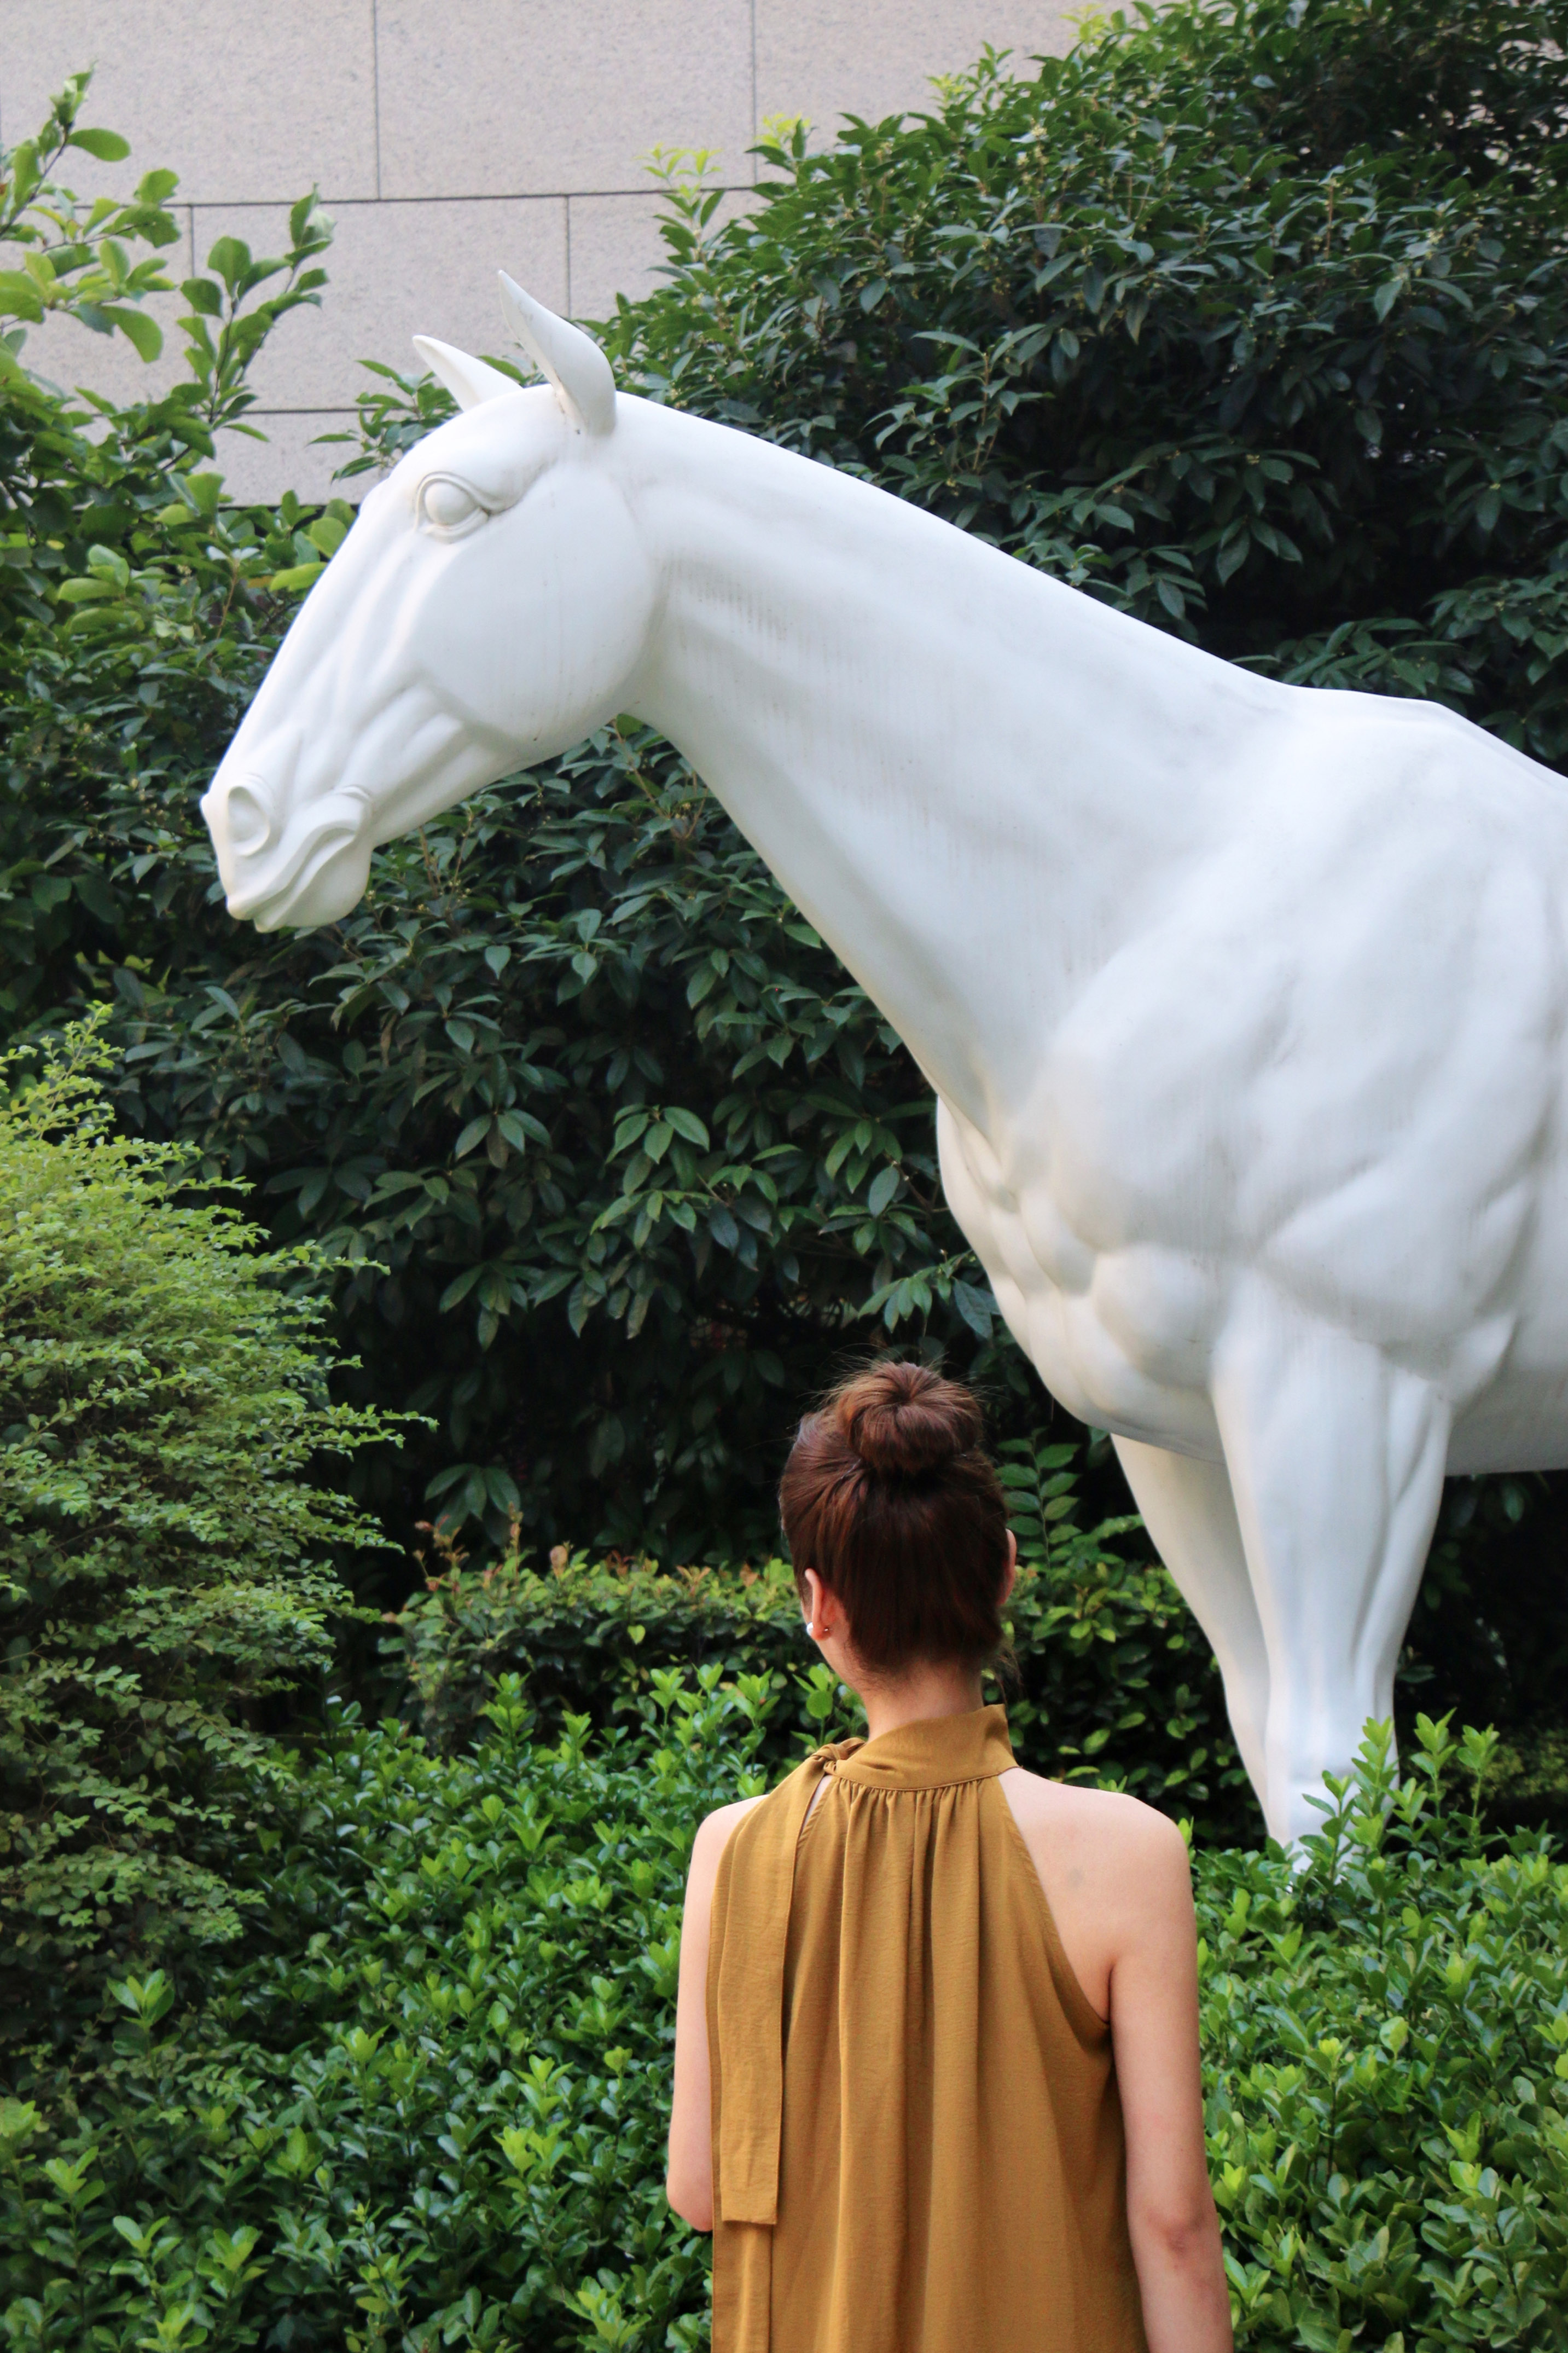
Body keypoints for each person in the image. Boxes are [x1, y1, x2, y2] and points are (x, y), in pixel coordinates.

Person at [666, 1359, 1233, 2353]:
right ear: (1005, 1568)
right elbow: (1173, 2228)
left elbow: (701, 2190)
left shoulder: (737, 1850)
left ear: (817, 1602)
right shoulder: (1129, 1853)